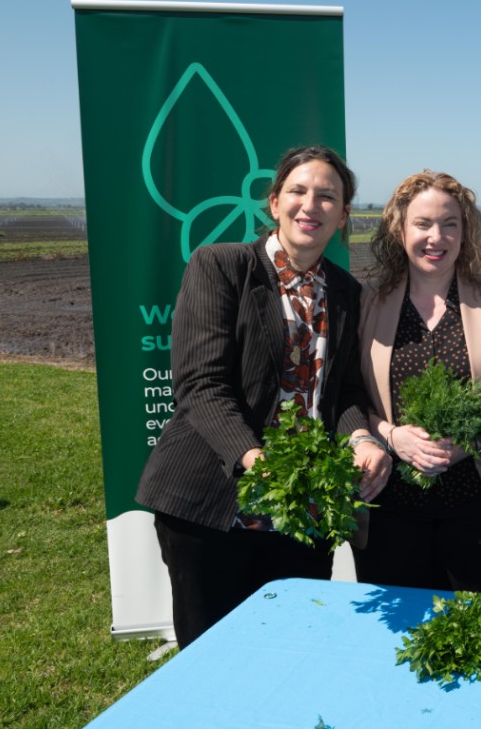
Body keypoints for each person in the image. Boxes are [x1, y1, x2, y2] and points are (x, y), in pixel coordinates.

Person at [137, 145, 391, 649]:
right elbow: (201, 384)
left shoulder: (345, 292)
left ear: (342, 216)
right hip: (212, 504)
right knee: (212, 656)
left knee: (286, 651)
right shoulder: (221, 266)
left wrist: (361, 437)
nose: (310, 205)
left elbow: (342, 394)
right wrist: (255, 458)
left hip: (300, 510)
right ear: (274, 203)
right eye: (298, 191)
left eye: (327, 197)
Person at [353, 169, 481, 592]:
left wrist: (472, 440)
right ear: (400, 229)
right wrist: (389, 435)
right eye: (422, 224)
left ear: (466, 232)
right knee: (397, 633)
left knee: (469, 629)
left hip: (478, 503)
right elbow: (350, 397)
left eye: (449, 224)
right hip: (389, 503)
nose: (436, 237)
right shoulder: (370, 300)